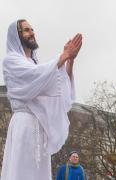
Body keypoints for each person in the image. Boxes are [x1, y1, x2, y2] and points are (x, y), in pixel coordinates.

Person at [0, 19, 82, 180]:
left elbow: (56, 84)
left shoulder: (35, 64)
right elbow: (35, 76)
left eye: (32, 29)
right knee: (21, 171)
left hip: (40, 128)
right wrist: (64, 56)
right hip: (23, 125)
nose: (32, 32)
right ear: (17, 36)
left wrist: (70, 60)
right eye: (26, 30)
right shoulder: (11, 61)